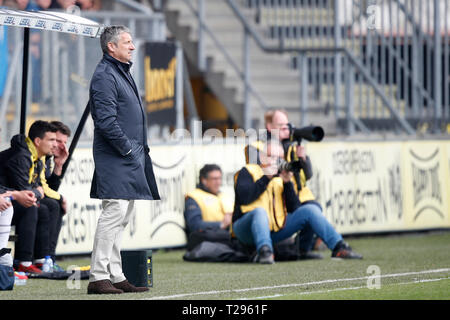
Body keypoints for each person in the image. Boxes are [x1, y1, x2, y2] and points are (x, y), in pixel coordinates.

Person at [88, 25, 160, 294]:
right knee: (114, 212)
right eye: (127, 42)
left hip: (128, 154)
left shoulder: (119, 71)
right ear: (111, 47)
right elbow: (105, 121)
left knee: (123, 214)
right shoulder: (105, 75)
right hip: (116, 155)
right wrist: (128, 150)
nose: (132, 46)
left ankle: (115, 274)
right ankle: (98, 276)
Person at [232, 141, 363, 264]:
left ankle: (339, 247)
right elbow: (245, 197)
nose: (276, 161)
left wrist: (288, 183)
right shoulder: (248, 171)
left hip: (274, 230)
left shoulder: (280, 177)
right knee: (259, 212)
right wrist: (266, 178)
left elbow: (294, 209)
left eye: (280, 158)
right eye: (272, 157)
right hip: (245, 229)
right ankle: (265, 252)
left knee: (310, 210)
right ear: (262, 157)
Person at [0, 120, 58, 274]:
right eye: (52, 140)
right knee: (30, 207)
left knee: (50, 206)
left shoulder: (37, 158)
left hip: (7, 199)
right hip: (7, 200)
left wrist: (57, 166)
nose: (56, 144)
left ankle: (43, 259)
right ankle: (23, 262)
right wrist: (36, 192)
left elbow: (36, 189)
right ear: (38, 141)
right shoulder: (21, 157)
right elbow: (27, 191)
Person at [39, 121, 71, 271]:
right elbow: (42, 188)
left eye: (64, 142)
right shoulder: (39, 156)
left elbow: (50, 188)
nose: (60, 146)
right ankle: (45, 258)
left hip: (35, 197)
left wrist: (59, 165)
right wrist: (60, 198)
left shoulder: (49, 159)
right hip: (19, 196)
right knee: (53, 205)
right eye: (57, 141)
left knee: (55, 205)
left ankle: (49, 258)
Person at [184, 164, 233, 235]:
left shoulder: (224, 196)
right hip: (208, 239)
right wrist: (221, 224)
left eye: (220, 178)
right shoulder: (194, 197)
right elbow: (194, 225)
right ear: (204, 180)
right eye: (215, 179)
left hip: (230, 239)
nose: (218, 182)